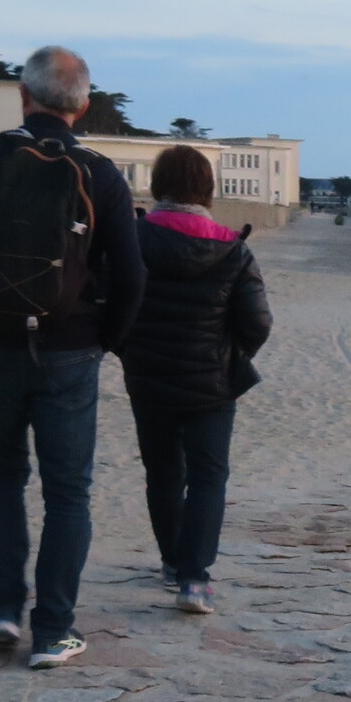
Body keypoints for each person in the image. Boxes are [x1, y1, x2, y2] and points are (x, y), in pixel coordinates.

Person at [0, 45, 144, 668]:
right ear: (84, 107)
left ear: (23, 95)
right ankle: (52, 631)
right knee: (68, 492)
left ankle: (2, 610)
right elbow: (132, 277)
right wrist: (106, 340)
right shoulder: (99, 173)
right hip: (71, 349)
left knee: (1, 475)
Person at [117, 144, 270, 615]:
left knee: (163, 471)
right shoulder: (232, 249)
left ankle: (171, 561)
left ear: (157, 185)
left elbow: (110, 304)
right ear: (208, 189)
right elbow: (257, 322)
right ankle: (194, 579)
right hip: (211, 382)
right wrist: (230, 356)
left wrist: (130, 350)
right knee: (208, 475)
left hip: (148, 376)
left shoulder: (132, 239)